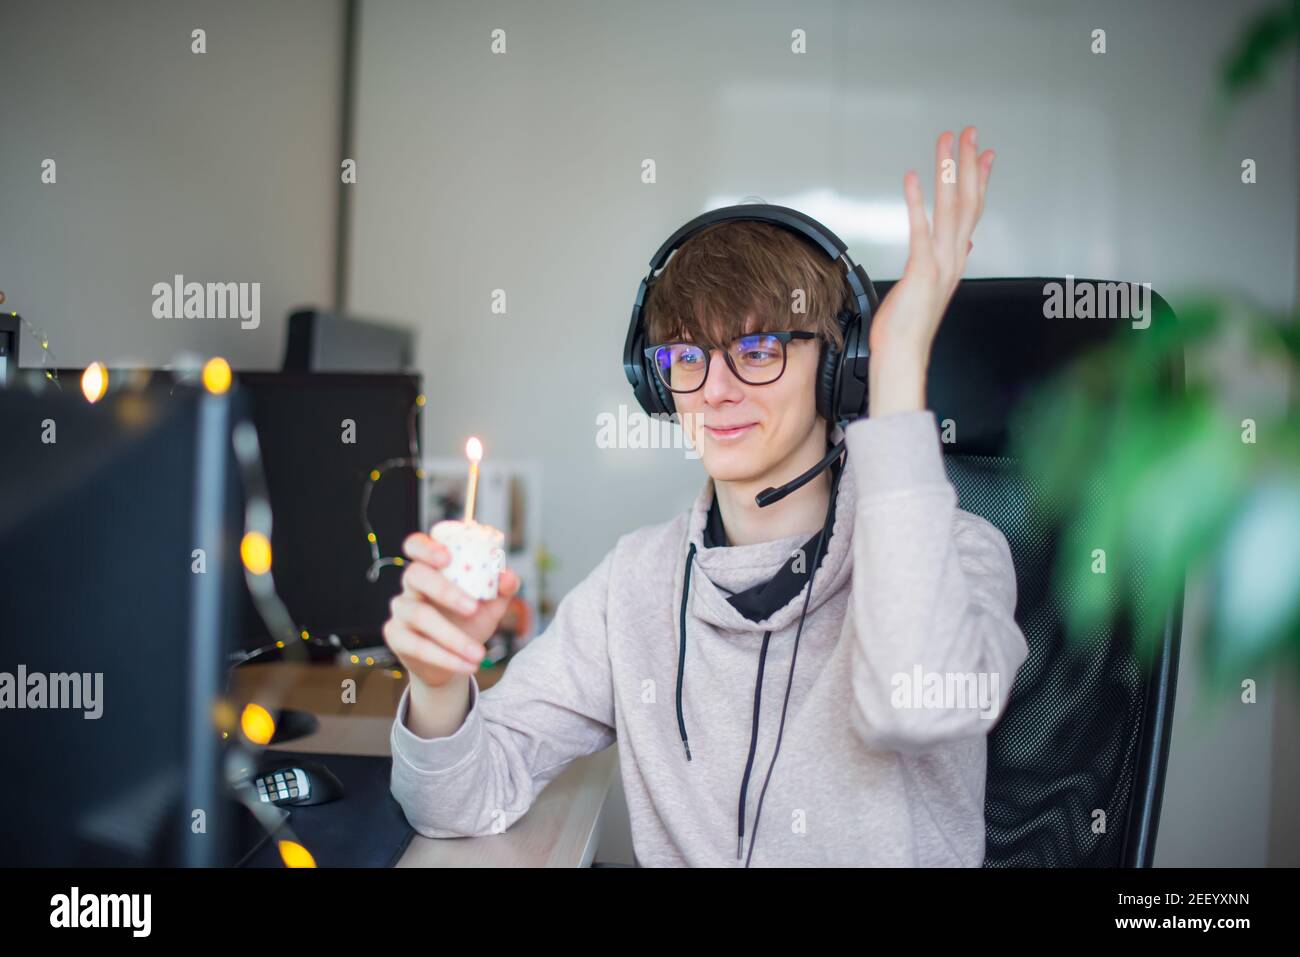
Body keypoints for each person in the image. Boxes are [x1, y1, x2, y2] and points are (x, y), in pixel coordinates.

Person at [383, 127, 1028, 866]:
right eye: (688, 356)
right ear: (658, 380)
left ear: (838, 369)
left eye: (758, 350)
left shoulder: (964, 554)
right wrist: (438, 686)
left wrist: (900, 364)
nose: (716, 390)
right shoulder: (635, 586)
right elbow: (457, 802)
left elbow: (915, 707)